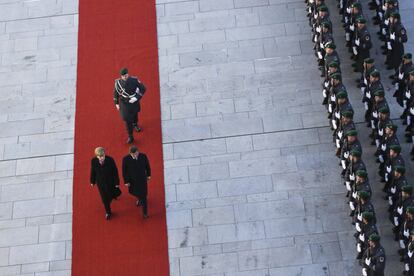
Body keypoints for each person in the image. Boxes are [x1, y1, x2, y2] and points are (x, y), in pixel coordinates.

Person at [113, 67, 146, 144]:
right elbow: (115, 93)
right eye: (124, 76)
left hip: (133, 101)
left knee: (135, 114)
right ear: (121, 76)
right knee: (127, 120)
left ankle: (135, 124)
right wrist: (116, 103)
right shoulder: (118, 83)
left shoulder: (134, 80)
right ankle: (130, 136)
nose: (125, 77)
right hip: (124, 103)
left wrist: (136, 98)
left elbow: (143, 89)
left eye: (126, 75)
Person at [90, 147, 120, 220]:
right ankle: (108, 212)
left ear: (104, 154)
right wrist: (92, 181)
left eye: (102, 156)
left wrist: (117, 182)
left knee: (111, 195)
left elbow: (115, 172)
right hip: (101, 183)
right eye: (99, 156)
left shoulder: (110, 160)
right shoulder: (93, 161)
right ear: (96, 156)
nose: (101, 158)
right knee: (104, 199)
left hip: (110, 182)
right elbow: (93, 171)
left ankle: (113, 197)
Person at [122, 145, 151, 219]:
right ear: (130, 153)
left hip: (142, 180)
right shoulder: (125, 159)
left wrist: (148, 175)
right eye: (133, 154)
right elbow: (124, 172)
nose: (135, 155)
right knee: (134, 192)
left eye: (136, 153)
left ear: (138, 151)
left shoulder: (143, 156)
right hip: (132, 181)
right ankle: (139, 198)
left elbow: (147, 166)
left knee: (144, 196)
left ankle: (145, 213)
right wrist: (126, 181)